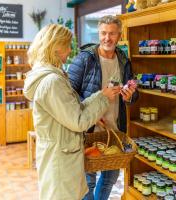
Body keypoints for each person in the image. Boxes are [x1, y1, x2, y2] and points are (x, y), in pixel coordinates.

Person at [23, 24, 121, 200]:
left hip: (61, 156)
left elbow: (74, 109)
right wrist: (104, 99)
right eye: (67, 45)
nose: (70, 50)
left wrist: (101, 95)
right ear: (56, 47)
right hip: (60, 162)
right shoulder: (52, 82)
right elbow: (79, 120)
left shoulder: (52, 77)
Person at [68, 15, 139, 200]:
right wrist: (92, 110)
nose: (107, 38)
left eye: (112, 34)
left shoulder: (124, 60)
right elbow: (69, 94)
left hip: (115, 131)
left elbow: (133, 91)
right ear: (98, 33)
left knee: (110, 179)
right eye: (103, 33)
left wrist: (131, 96)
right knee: (88, 183)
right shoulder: (85, 59)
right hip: (89, 130)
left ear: (119, 35)